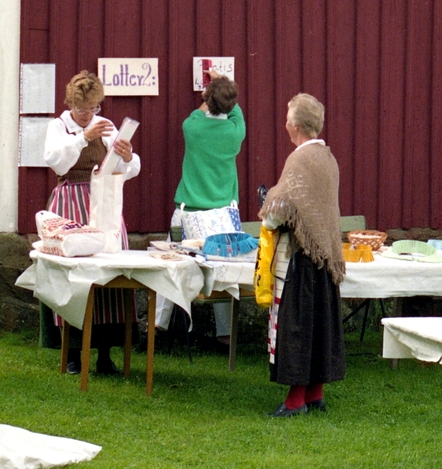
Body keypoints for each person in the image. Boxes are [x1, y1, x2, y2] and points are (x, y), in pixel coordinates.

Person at [44, 70, 140, 376]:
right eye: (83, 109)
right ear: (71, 105)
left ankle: (105, 354)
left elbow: (132, 169)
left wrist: (126, 156)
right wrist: (83, 137)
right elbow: (56, 161)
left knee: (107, 275)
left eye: (94, 108)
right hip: (70, 203)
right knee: (72, 275)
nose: (89, 115)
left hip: (103, 203)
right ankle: (72, 352)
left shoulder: (107, 128)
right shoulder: (58, 127)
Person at [258, 93, 345, 417]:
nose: (285, 123)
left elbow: (281, 208)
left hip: (301, 257)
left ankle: (296, 400)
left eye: (286, 117)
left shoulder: (300, 159)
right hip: (324, 255)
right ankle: (314, 393)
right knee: (319, 323)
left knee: (297, 326)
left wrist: (267, 210)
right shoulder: (327, 157)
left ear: (294, 125)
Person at [157, 69, 246, 343]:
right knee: (225, 273)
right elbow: (235, 112)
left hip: (189, 211)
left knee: (169, 266)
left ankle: (157, 327)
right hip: (223, 214)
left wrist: (211, 88)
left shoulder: (192, 127)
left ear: (207, 99)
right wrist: (222, 85)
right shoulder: (235, 132)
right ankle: (225, 333)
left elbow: (202, 109)